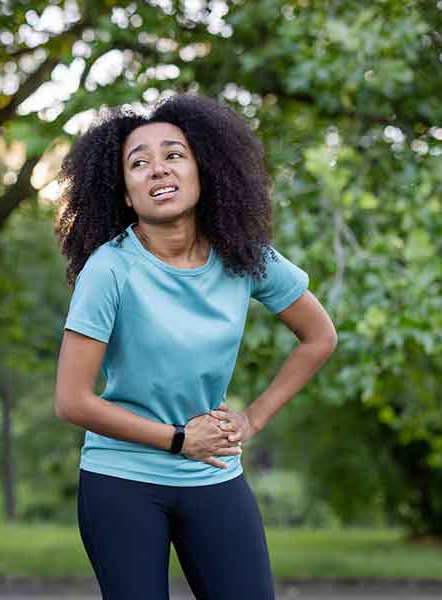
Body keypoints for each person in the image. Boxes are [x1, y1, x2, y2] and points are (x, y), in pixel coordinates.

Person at [53, 94, 337, 600]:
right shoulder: (110, 269)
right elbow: (72, 401)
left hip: (214, 474)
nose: (157, 169)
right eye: (138, 163)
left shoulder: (245, 258)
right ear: (124, 193)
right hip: (123, 478)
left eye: (173, 155)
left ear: (204, 171)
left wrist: (252, 420)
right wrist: (180, 439)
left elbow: (319, 338)